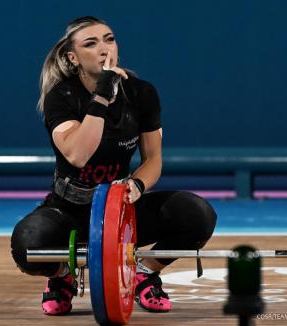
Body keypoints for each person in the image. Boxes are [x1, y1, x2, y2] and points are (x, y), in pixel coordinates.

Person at [11, 16, 217, 316]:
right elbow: (79, 155)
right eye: (90, 44)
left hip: (119, 209)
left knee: (197, 214)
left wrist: (137, 185)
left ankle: (144, 272)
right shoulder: (62, 97)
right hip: (69, 211)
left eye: (109, 39)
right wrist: (103, 93)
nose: (104, 48)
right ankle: (62, 278)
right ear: (73, 57)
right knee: (28, 245)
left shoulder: (141, 93)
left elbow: (153, 161)